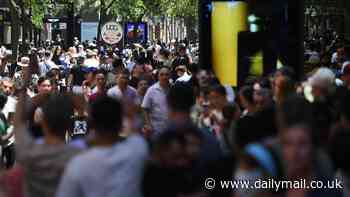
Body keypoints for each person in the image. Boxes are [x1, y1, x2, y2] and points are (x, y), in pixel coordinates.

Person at [56, 96, 149, 197]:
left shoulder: (77, 163)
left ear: (91, 124)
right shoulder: (137, 150)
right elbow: (135, 129)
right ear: (120, 124)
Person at [142, 66, 171, 137]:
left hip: (170, 128)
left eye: (166, 74)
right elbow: (145, 108)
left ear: (169, 76)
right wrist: (148, 125)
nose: (164, 77)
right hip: (156, 128)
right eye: (162, 74)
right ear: (158, 76)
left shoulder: (173, 89)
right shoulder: (151, 90)